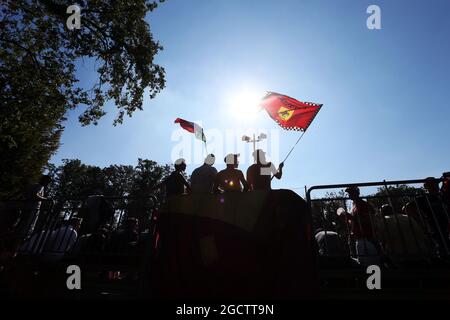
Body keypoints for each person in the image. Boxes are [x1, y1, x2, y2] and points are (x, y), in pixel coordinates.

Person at [342, 186, 380, 266]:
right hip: (359, 238)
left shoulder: (363, 204)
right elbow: (355, 221)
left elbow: (369, 219)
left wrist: (351, 217)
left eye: (351, 192)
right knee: (362, 263)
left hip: (367, 238)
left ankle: (375, 278)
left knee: (370, 264)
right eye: (349, 193)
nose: (349, 195)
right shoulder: (354, 206)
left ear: (357, 193)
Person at [417, 177, 450, 257]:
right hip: (434, 225)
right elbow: (407, 208)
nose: (435, 186)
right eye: (431, 185)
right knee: (440, 243)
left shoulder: (442, 196)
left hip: (445, 223)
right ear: (426, 186)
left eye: (435, 184)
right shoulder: (423, 198)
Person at [15, 175, 52, 240]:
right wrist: (45, 199)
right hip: (33, 208)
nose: (48, 183)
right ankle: (21, 239)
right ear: (45, 181)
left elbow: (22, 192)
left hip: (26, 207)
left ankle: (16, 237)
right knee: (28, 225)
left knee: (21, 224)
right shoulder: (40, 186)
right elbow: (35, 194)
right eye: (48, 181)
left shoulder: (32, 185)